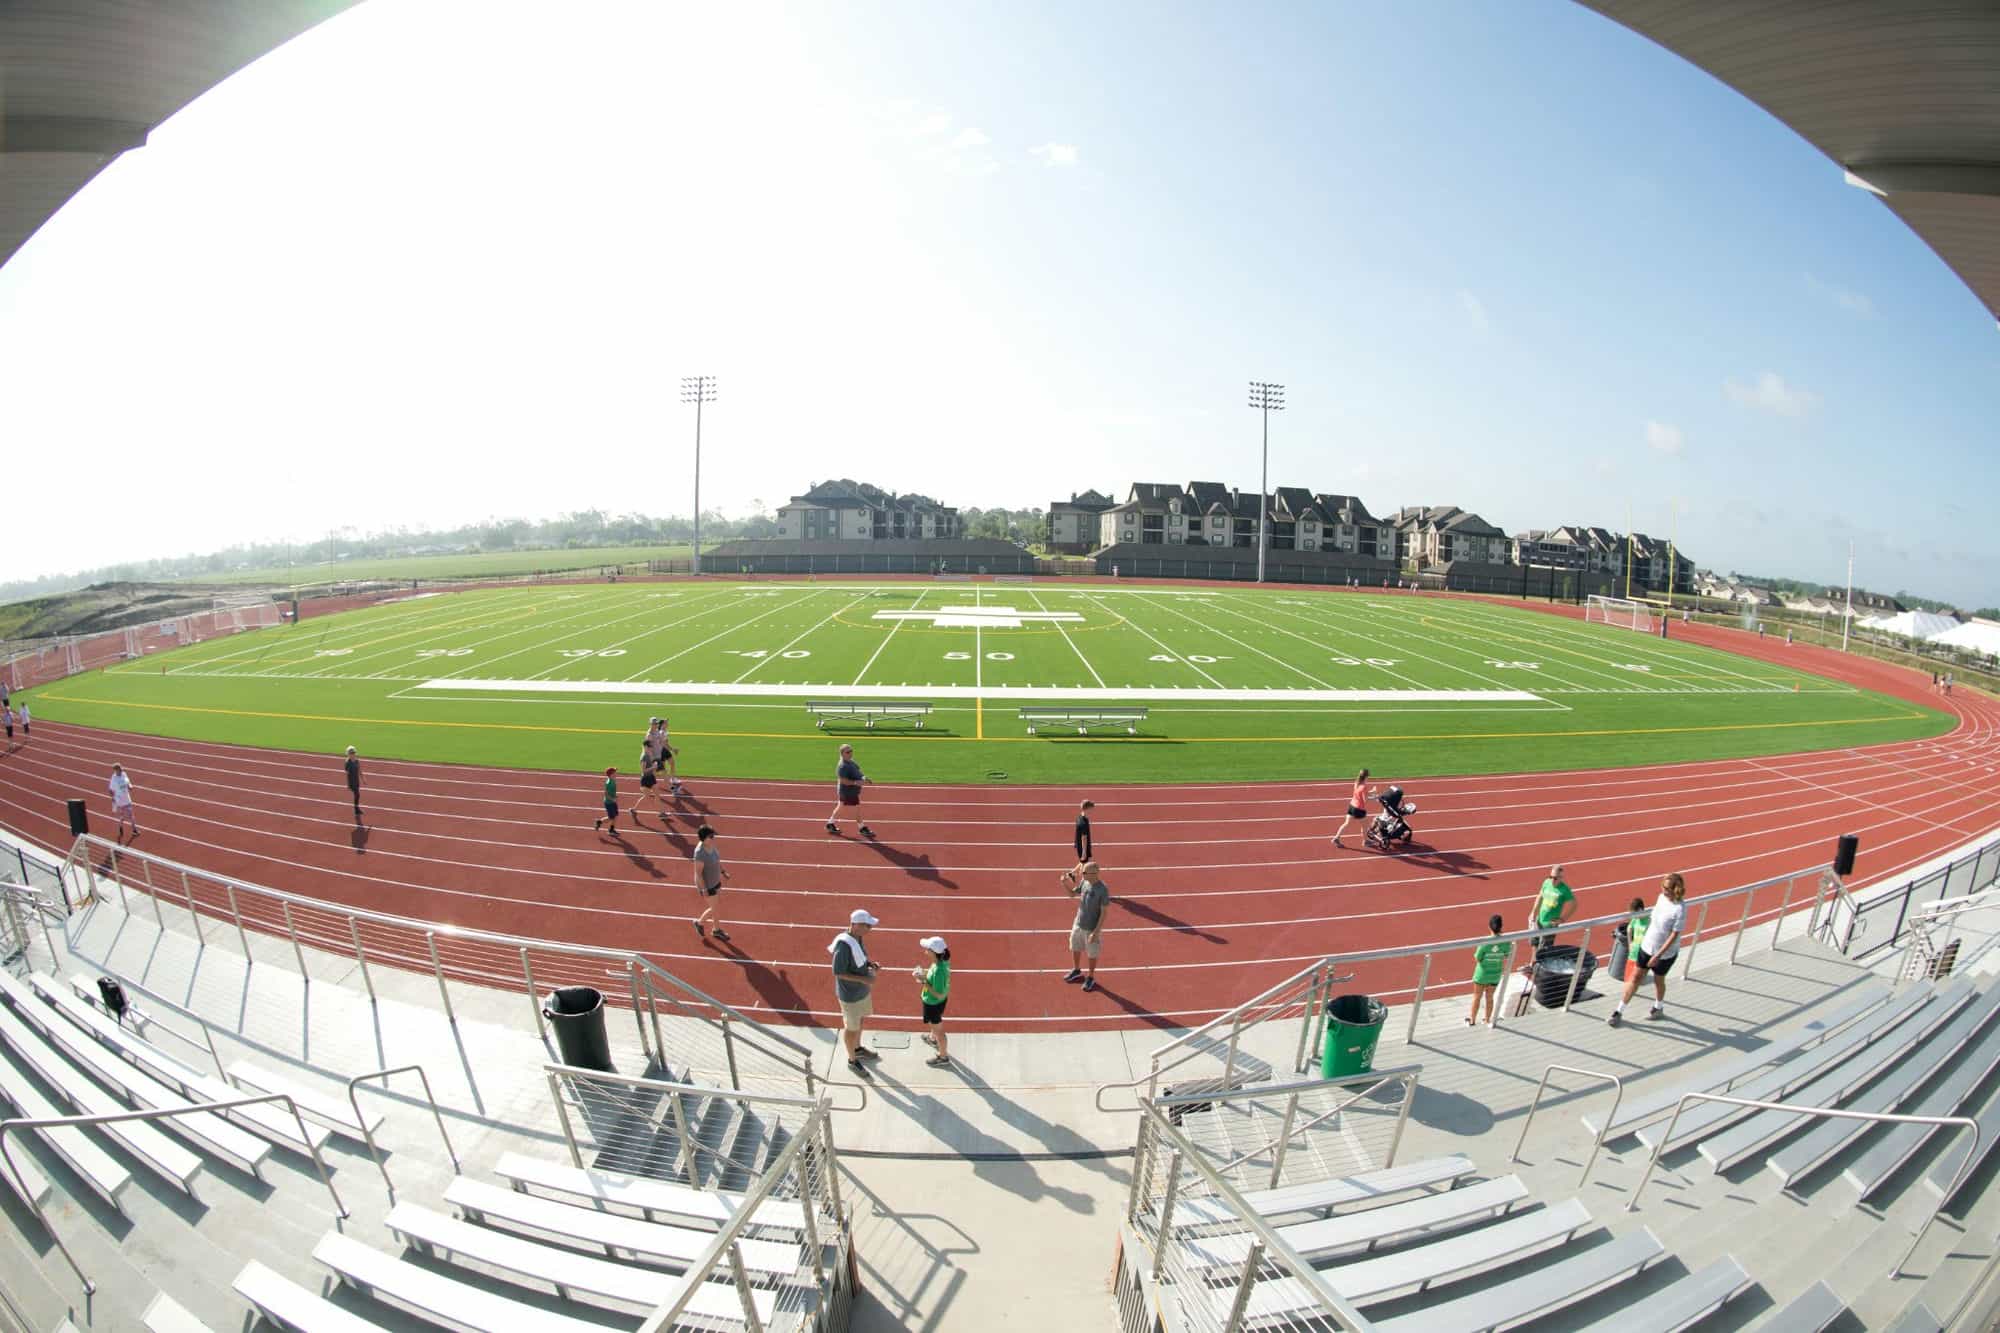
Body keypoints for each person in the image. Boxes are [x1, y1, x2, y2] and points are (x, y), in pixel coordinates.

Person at [1609, 872, 1687, 1026]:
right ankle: (1618, 1011)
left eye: (1666, 888)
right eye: (1662, 886)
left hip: (1665, 954)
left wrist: (1658, 955)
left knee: (1659, 980)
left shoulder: (1680, 909)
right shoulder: (1660, 898)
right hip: (1647, 946)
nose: (1663, 890)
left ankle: (1658, 1007)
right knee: (1635, 977)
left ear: (1675, 890)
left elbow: (1674, 936)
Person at [829, 909, 882, 1074]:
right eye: (867, 926)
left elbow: (860, 958)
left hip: (861, 992)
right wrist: (864, 979)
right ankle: (852, 1061)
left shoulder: (858, 938)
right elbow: (838, 971)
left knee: (859, 1021)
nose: (870, 929)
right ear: (856, 925)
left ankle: (857, 1049)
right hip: (850, 996)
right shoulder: (843, 945)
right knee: (851, 1028)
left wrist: (869, 965)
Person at [1060, 861, 1110, 992]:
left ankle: (1091, 977)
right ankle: (1076, 970)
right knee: (1075, 946)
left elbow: (1104, 913)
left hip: (1091, 928)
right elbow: (1072, 894)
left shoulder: (1102, 889)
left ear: (1094, 874)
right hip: (1078, 922)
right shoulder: (1084, 882)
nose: (1081, 874)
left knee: (1092, 953)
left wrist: (1096, 932)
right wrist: (1065, 884)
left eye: (1084, 872)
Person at [914, 935, 952, 1067]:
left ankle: (943, 1057)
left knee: (939, 1030)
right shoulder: (940, 962)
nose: (925, 950)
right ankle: (932, 1038)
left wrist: (923, 981)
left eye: (927, 948)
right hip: (934, 1003)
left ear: (934, 952)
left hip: (933, 1004)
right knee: (934, 1026)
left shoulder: (939, 970)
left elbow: (938, 995)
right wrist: (924, 974)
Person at [1468, 914, 1512, 1027]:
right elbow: (1506, 955)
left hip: (1481, 975)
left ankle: (1472, 1020)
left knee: (1477, 997)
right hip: (1495, 975)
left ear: (1489, 927)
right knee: (1490, 997)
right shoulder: (1506, 942)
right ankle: (1487, 1020)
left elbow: (1477, 958)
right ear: (1501, 926)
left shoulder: (1484, 942)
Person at [691, 824, 731, 941]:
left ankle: (702, 925)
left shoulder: (711, 845)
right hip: (707, 885)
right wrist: (704, 889)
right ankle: (714, 929)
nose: (714, 838)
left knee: (716, 906)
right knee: (715, 907)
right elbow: (698, 874)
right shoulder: (700, 853)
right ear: (704, 838)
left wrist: (723, 872)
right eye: (711, 836)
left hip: (715, 880)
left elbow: (717, 860)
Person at [826, 744, 873, 838]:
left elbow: (858, 772)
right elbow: (843, 781)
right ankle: (862, 828)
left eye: (851, 751)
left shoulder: (851, 761)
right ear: (842, 753)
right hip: (847, 792)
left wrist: (864, 778)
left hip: (850, 791)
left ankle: (830, 823)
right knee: (856, 808)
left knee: (841, 806)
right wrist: (856, 782)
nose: (850, 753)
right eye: (848, 752)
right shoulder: (842, 766)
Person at [1528, 864, 1577, 952]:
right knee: (1534, 943)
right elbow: (1540, 896)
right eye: (1550, 876)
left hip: (1550, 925)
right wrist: (1533, 912)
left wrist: (1562, 919)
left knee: (1544, 950)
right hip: (1539, 920)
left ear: (1561, 878)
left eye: (1555, 878)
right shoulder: (1546, 882)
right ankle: (1533, 963)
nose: (1552, 880)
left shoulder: (1564, 890)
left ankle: (1539, 965)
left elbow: (1574, 905)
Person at [1331, 768, 1374, 848]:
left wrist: (1371, 792)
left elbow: (1359, 793)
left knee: (1346, 824)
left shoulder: (1357, 783)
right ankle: (1366, 841)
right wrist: (1374, 798)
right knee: (1365, 825)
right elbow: (1365, 800)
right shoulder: (1364, 786)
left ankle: (1337, 837)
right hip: (1359, 809)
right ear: (1366, 777)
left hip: (1351, 806)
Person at [108, 763, 139, 839]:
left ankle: (134, 830)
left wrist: (130, 786)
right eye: (119, 770)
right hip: (120, 801)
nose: (121, 771)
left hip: (127, 798)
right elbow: (110, 790)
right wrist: (113, 798)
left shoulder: (124, 774)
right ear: (116, 771)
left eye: (121, 769)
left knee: (131, 815)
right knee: (122, 817)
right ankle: (121, 828)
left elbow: (128, 782)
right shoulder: (114, 779)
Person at [591, 767, 620, 831]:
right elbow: (606, 794)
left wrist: (615, 796)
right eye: (615, 772)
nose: (616, 773)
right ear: (611, 774)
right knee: (611, 818)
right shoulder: (609, 783)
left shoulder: (613, 780)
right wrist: (612, 799)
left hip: (613, 801)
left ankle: (611, 829)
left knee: (615, 816)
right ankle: (599, 822)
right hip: (609, 803)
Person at [1073, 799, 1095, 868]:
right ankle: (1079, 877)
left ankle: (1071, 874)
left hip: (1080, 845)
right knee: (1085, 867)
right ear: (1087, 809)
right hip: (1083, 847)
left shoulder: (1079, 817)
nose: (1092, 811)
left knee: (1083, 862)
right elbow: (1084, 838)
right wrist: (1084, 852)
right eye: (1091, 809)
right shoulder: (1083, 823)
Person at [343, 746, 362, 820]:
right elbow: (347, 774)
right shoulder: (347, 763)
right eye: (351, 753)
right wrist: (348, 784)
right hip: (352, 782)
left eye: (354, 752)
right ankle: (356, 809)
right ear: (348, 754)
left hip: (356, 780)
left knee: (357, 795)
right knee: (357, 794)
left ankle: (356, 809)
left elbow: (359, 770)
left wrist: (363, 779)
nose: (353, 754)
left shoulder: (357, 761)